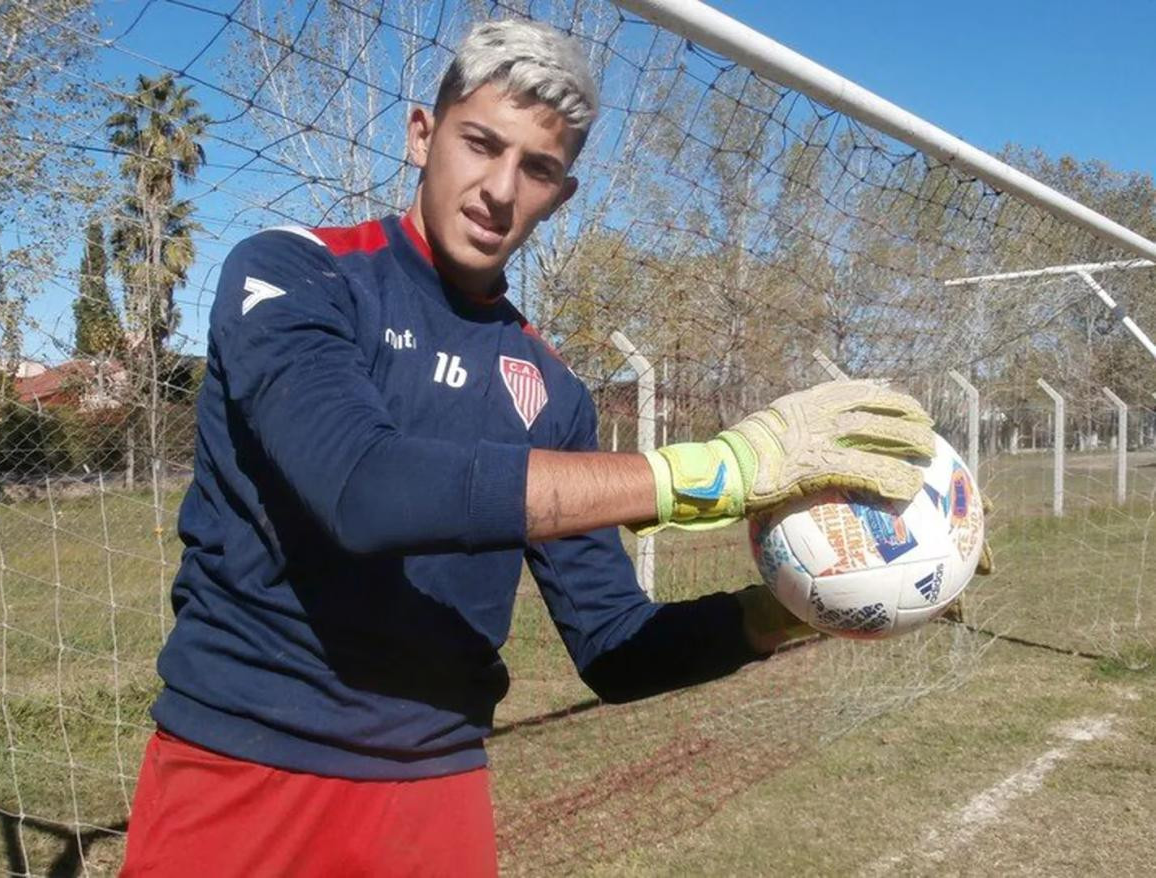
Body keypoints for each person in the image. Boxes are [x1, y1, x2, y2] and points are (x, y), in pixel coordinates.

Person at [119, 18, 944, 876]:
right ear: (421, 134)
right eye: (481, 144)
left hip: (433, 796)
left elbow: (614, 646)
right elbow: (362, 489)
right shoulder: (297, 274)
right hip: (242, 775)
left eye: (538, 169)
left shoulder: (549, 390)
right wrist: (719, 473)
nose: (499, 188)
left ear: (563, 194)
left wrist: (794, 606)